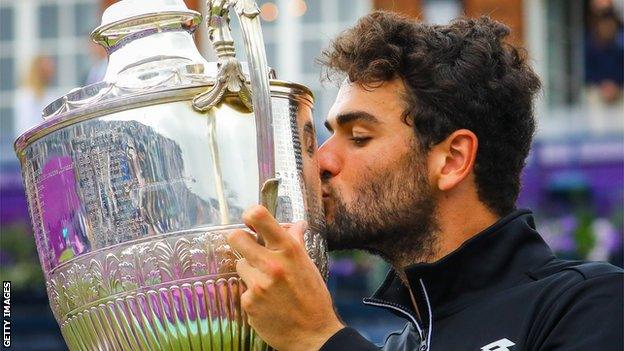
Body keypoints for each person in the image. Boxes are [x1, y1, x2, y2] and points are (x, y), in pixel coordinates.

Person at [226, 12, 624, 350]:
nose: (322, 162)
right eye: (328, 136)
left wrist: (319, 337)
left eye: (359, 137)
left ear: (451, 160)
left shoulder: (591, 304)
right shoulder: (398, 343)